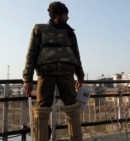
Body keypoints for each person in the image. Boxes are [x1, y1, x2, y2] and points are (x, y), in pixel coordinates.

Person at [22, 1, 84, 141]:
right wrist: (28, 79)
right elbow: (31, 54)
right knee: (42, 111)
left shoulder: (69, 33)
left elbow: (76, 54)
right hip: (45, 74)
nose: (68, 18)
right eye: (65, 15)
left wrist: (80, 76)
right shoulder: (40, 29)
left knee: (72, 108)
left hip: (67, 74)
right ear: (57, 15)